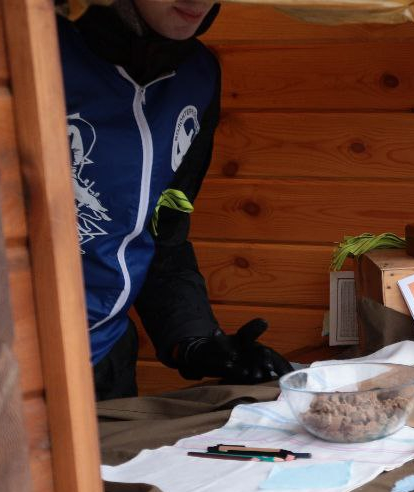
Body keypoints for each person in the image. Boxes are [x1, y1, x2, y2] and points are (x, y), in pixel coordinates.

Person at [59, 0, 290, 400]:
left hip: (104, 365)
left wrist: (196, 342)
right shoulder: (27, 52)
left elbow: (161, 235)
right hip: (0, 365)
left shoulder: (197, 78)